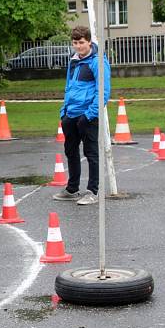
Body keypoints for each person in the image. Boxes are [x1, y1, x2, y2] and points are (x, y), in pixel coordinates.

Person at [53, 25, 111, 205]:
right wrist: (64, 112)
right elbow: (69, 87)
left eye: (81, 43)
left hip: (87, 116)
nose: (78, 46)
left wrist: (89, 115)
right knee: (70, 151)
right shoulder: (73, 60)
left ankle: (93, 191)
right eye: (75, 43)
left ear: (89, 41)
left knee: (91, 153)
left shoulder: (98, 61)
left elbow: (103, 91)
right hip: (70, 114)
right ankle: (72, 189)